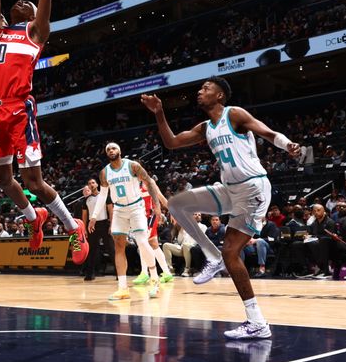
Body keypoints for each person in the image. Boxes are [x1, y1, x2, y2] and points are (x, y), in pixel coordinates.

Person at [142, 76, 301, 339]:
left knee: (231, 252)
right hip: (229, 190)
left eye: (206, 88)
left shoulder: (234, 114)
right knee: (176, 204)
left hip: (253, 189)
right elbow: (171, 142)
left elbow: (268, 132)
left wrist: (288, 145)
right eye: (200, 88)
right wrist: (159, 114)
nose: (199, 91)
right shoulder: (205, 127)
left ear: (220, 96)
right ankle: (211, 256)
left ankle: (257, 322)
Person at [0, 0, 87, 263]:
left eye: (28, 4)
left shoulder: (35, 32)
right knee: (2, 179)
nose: (23, 1)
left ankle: (73, 227)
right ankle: (34, 218)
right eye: (20, 2)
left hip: (18, 111)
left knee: (35, 183)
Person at [88, 142, 164, 300]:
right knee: (119, 247)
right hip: (119, 209)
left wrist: (157, 206)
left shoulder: (133, 166)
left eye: (113, 148)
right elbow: (103, 196)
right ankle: (123, 288)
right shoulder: (104, 173)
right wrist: (94, 216)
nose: (111, 150)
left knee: (143, 242)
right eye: (108, 149)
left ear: (120, 151)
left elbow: (149, 182)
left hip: (136, 207)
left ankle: (155, 280)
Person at [131, 181, 172, 286]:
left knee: (143, 243)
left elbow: (161, 197)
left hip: (151, 215)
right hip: (140, 217)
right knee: (154, 244)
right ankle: (167, 273)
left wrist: (173, 211)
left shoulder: (149, 182)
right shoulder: (133, 183)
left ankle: (144, 273)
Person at [81, 178, 113, 281]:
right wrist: (84, 229)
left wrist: (111, 225)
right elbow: (84, 216)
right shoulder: (86, 199)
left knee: (111, 249)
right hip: (92, 226)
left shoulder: (105, 196)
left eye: (93, 182)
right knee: (92, 251)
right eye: (89, 183)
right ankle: (90, 274)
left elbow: (111, 211)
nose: (91, 184)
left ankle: (119, 273)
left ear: (97, 184)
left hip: (104, 224)